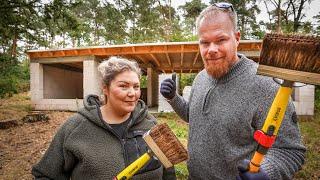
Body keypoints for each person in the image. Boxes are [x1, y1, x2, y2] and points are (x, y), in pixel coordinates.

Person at [160, 2, 305, 180]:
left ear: (236, 38)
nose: (211, 49)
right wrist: (173, 98)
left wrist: (267, 172)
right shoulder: (200, 78)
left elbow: (290, 150)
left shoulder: (265, 85)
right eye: (205, 42)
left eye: (221, 40)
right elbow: (194, 117)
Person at [32, 56, 176, 179]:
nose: (132, 93)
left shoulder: (151, 124)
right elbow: (45, 175)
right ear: (105, 88)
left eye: (136, 86)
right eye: (124, 86)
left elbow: (168, 173)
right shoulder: (75, 127)